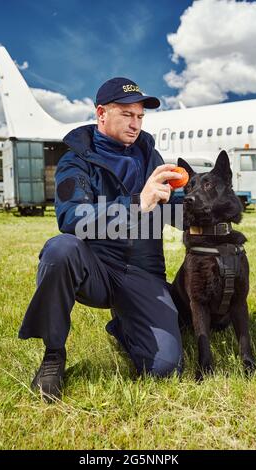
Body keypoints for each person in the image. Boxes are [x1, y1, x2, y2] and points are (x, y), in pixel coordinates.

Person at [19, 77, 184, 400]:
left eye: (140, 117)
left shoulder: (150, 155)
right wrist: (138, 203)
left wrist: (203, 204)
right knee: (60, 249)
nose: (135, 124)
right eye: (126, 114)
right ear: (101, 113)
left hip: (143, 272)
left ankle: (124, 326)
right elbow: (71, 218)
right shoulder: (76, 160)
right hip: (96, 268)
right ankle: (54, 355)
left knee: (165, 369)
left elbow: (171, 209)